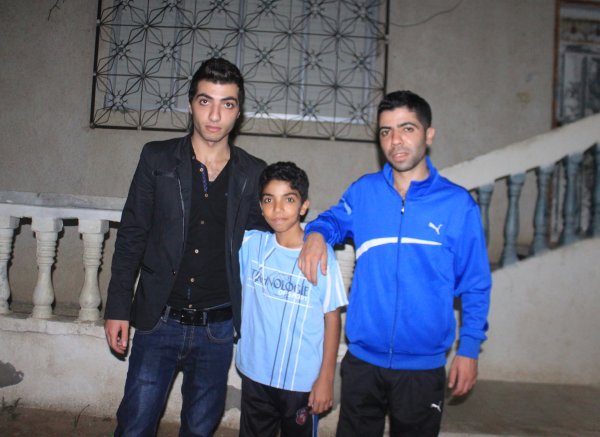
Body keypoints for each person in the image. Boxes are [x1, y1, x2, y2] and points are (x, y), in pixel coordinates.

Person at [298, 91, 492, 437]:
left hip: (423, 367)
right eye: (386, 131)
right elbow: (332, 220)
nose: (395, 140)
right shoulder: (365, 192)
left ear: (428, 135)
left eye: (407, 128)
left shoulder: (457, 205)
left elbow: (475, 285)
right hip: (363, 362)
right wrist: (315, 234)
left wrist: (469, 349)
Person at [103, 57, 268, 437]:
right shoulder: (157, 158)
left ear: (238, 111)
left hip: (218, 328)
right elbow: (132, 234)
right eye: (205, 101)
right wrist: (117, 308)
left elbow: (269, 239)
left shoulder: (253, 172)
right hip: (158, 319)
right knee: (134, 427)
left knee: (199, 430)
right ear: (191, 103)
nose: (215, 115)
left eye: (227, 103)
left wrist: (313, 237)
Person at [236, 162, 348, 437]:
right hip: (255, 374)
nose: (277, 209)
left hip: (302, 382)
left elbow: (332, 318)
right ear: (260, 206)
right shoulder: (250, 246)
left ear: (303, 206)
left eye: (288, 199)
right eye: (268, 200)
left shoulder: (320, 255)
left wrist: (326, 378)